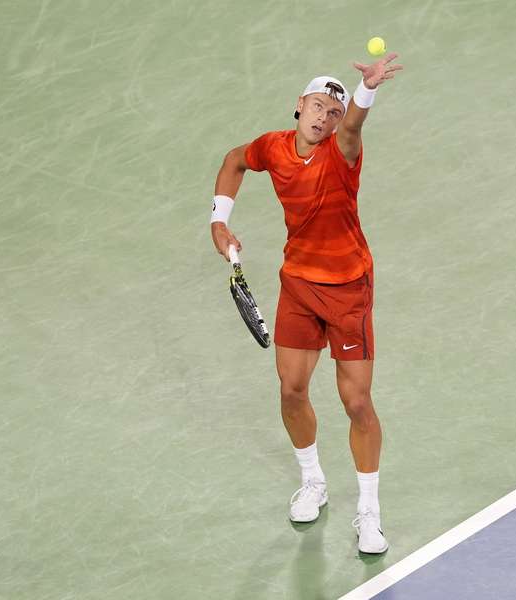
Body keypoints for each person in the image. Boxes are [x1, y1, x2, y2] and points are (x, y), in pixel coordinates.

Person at [209, 53, 403, 554]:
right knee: (291, 390)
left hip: (349, 288)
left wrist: (366, 91)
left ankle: (368, 511)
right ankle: (313, 481)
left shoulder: (344, 151)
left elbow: (357, 122)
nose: (324, 116)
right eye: (318, 106)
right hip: (298, 283)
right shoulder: (272, 148)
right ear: (300, 106)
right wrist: (218, 220)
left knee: (356, 401)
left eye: (333, 113)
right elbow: (234, 161)